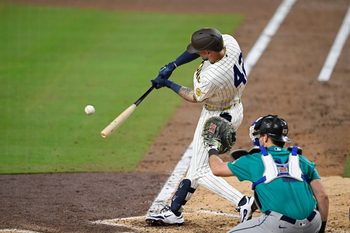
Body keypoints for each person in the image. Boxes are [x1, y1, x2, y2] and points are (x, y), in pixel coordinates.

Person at [145, 27, 254, 225]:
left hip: (217, 119)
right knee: (196, 164)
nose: (196, 55)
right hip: (232, 108)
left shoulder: (213, 76)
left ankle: (243, 201)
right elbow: (198, 50)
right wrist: (174, 64)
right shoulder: (229, 42)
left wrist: (169, 84)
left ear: (208, 53)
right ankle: (174, 211)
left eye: (200, 53)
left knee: (200, 171)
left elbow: (194, 97)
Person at [205, 114, 329, 233]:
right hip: (313, 225)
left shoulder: (255, 160)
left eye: (260, 136)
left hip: (279, 226)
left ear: (265, 138)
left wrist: (212, 146)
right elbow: (323, 197)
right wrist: (320, 229)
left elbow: (217, 168)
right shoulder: (302, 160)